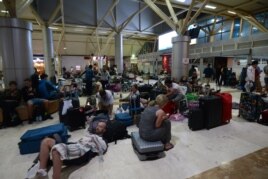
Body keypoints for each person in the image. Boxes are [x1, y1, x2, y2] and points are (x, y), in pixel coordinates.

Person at [35, 121, 107, 179]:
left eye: (100, 127)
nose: (97, 127)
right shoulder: (90, 134)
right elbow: (84, 134)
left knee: (57, 150)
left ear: (104, 130)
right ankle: (42, 172)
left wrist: (94, 138)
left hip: (83, 151)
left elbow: (103, 149)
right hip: (75, 145)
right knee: (46, 141)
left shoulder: (102, 140)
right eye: (97, 125)